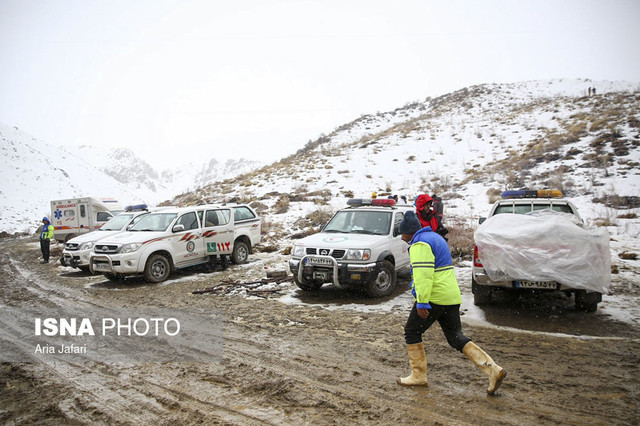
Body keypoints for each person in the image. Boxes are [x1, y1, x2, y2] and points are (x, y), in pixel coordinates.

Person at [396, 211, 506, 395]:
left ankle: (418, 376)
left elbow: (424, 275)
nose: (401, 237)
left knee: (412, 331)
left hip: (434, 296)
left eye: (403, 233)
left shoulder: (420, 244)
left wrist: (422, 302)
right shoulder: (435, 237)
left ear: (410, 231)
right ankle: (493, 369)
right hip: (451, 296)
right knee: (456, 337)